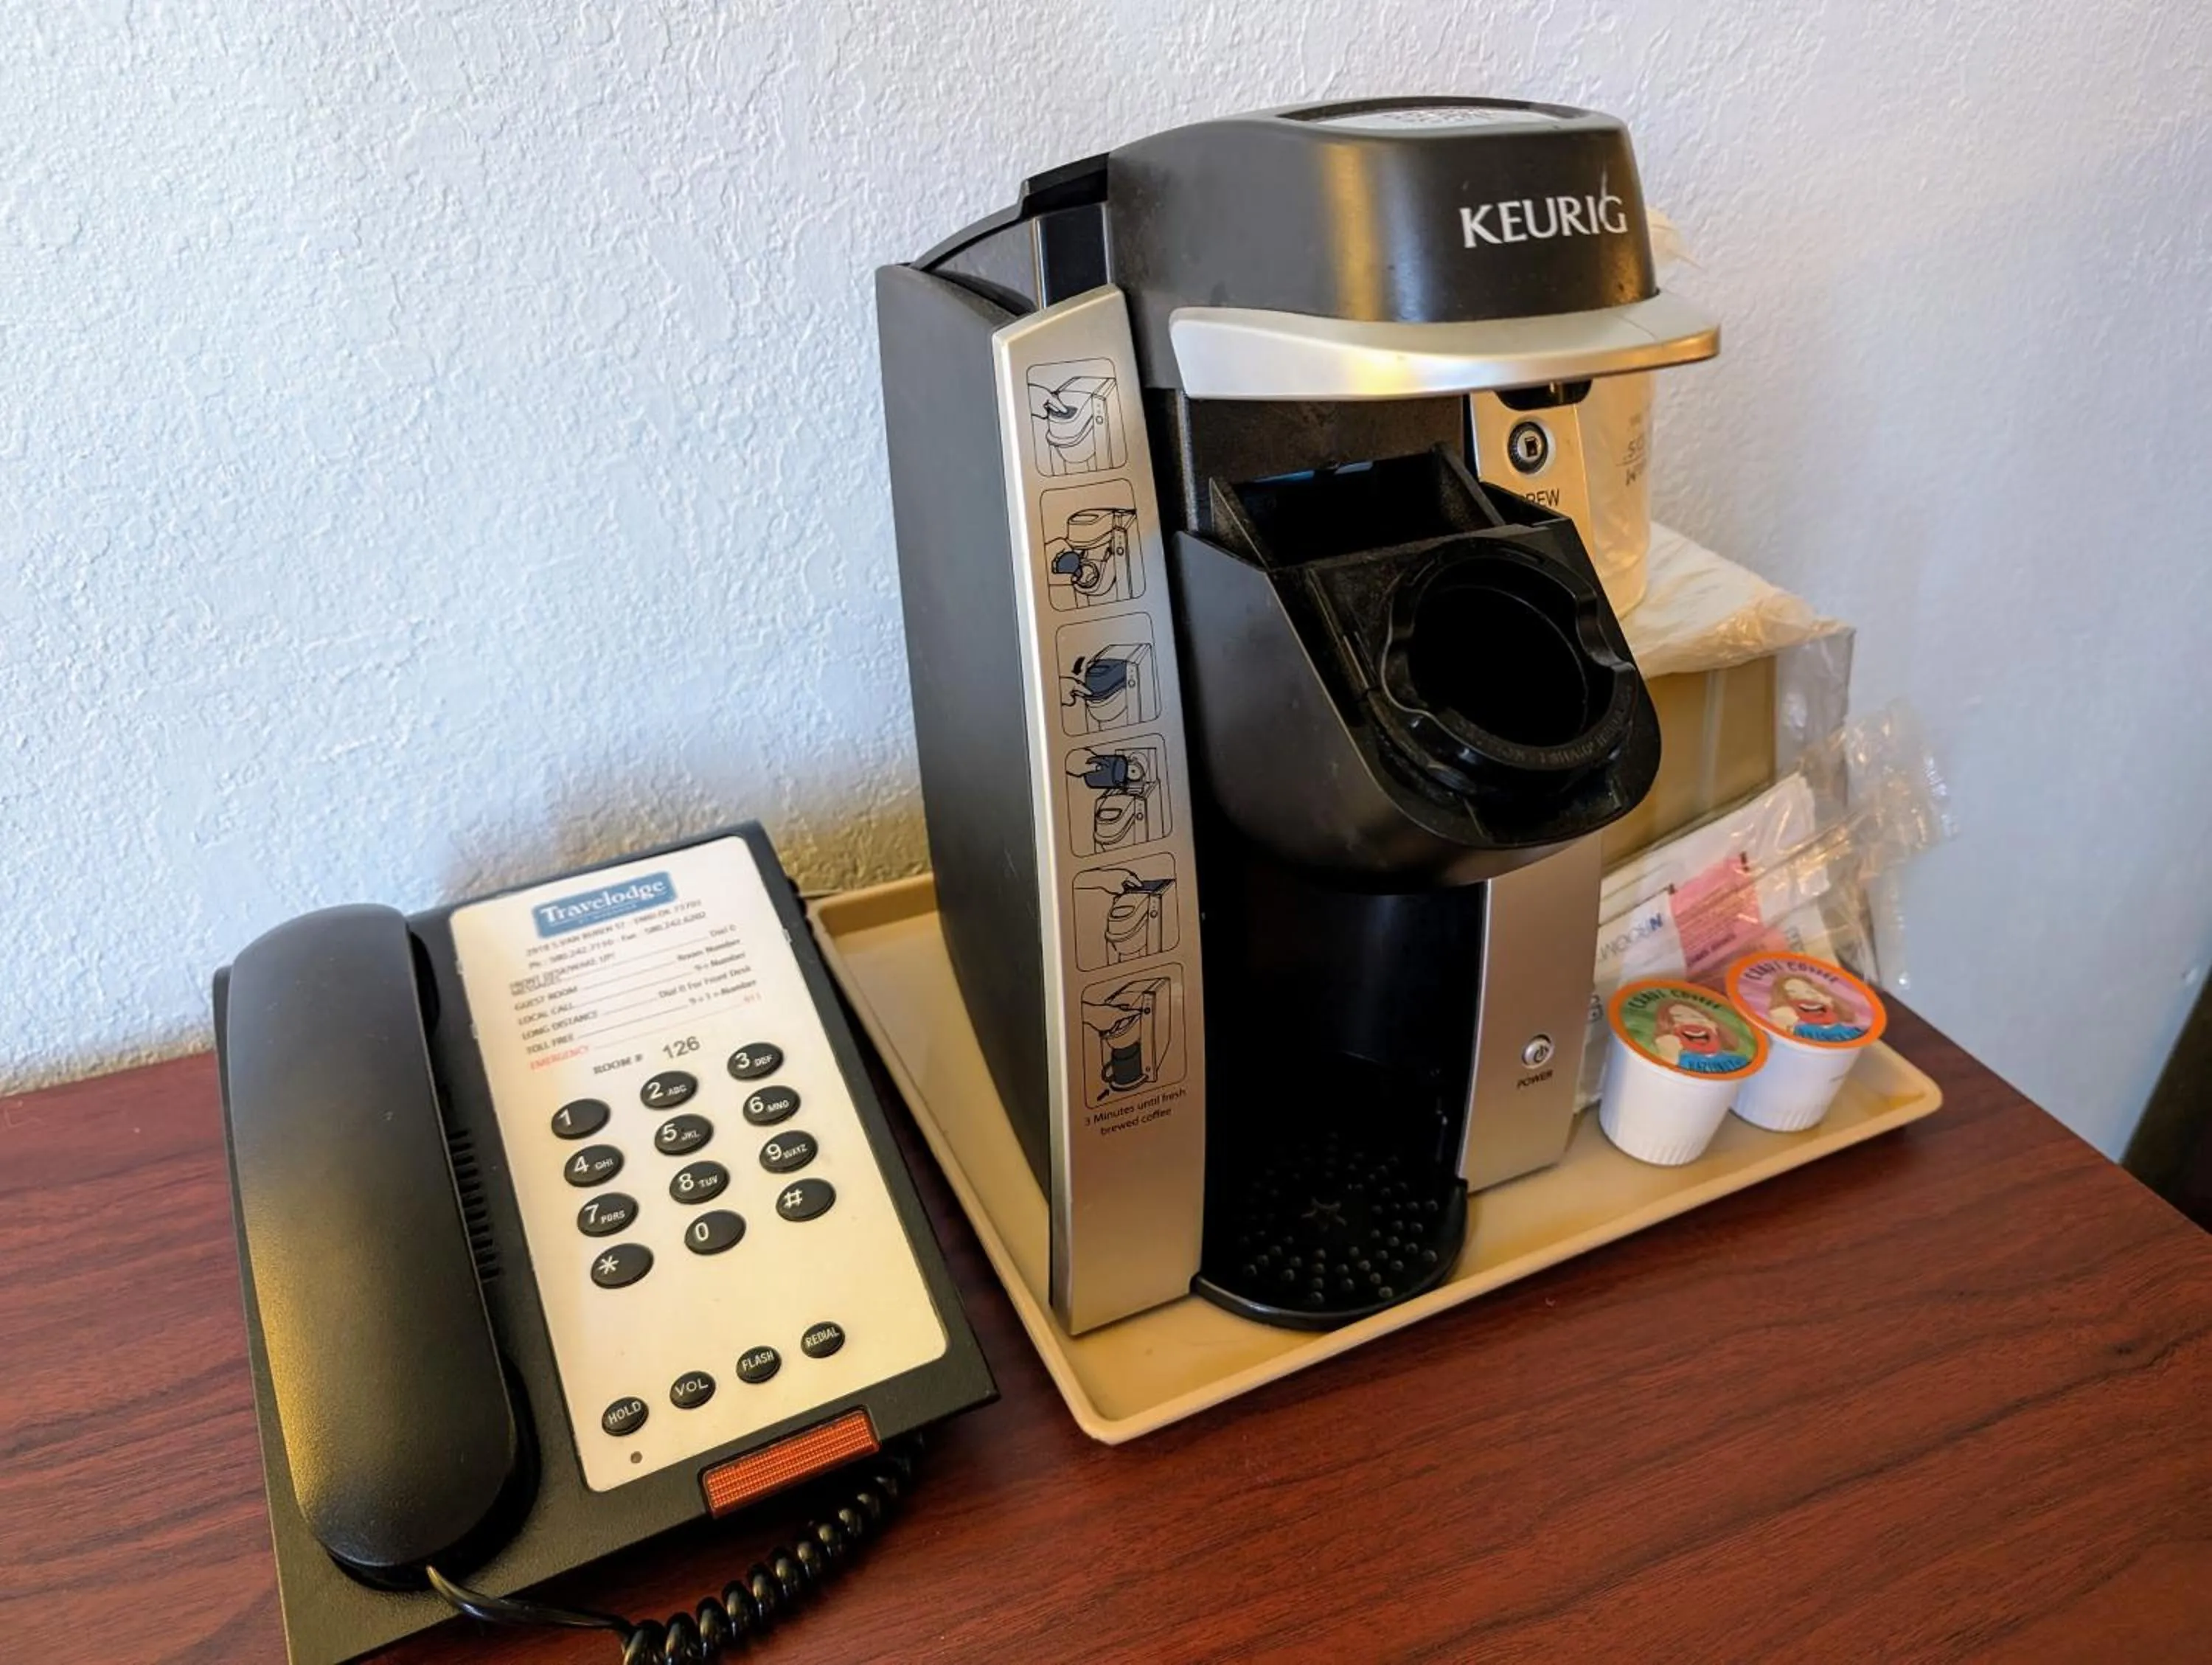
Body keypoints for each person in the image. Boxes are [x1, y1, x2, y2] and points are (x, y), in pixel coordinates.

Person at [1652, 1001, 1754, 1074]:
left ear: (1714, 1025)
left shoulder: (1739, 1060)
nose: (1693, 1026)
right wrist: (1669, 1058)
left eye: (1698, 1019)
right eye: (1679, 1021)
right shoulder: (1677, 1059)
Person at [1766, 974, 1867, 1043]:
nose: (1807, 998)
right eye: (1793, 993)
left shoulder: (1854, 1031)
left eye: (1810, 992)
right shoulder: (1801, 1032)